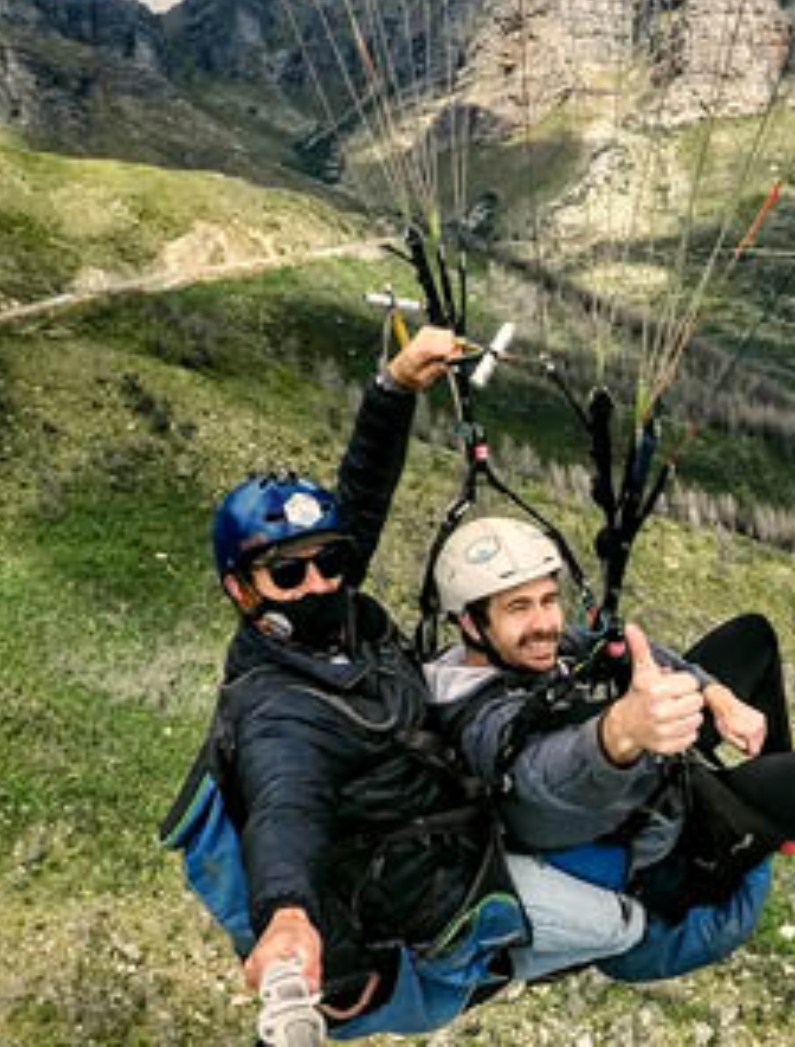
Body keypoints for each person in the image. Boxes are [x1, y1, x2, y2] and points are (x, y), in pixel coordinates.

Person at [164, 331, 645, 1037]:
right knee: (621, 925)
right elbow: (282, 806)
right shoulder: (277, 708)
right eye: (289, 574)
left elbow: (358, 499)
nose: (320, 582)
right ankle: (473, 966)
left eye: (328, 562)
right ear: (241, 590)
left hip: (452, 803)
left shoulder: (334, 620)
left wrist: (394, 387)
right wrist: (288, 914)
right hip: (425, 877)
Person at [426, 516, 795, 929]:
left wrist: (716, 695)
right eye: (517, 607)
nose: (544, 623)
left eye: (547, 599)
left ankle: (775, 788)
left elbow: (615, 649)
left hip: (659, 762)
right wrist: (620, 732)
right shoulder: (481, 724)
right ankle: (771, 825)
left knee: (752, 635)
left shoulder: (512, 653)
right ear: (469, 623)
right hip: (674, 832)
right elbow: (545, 771)